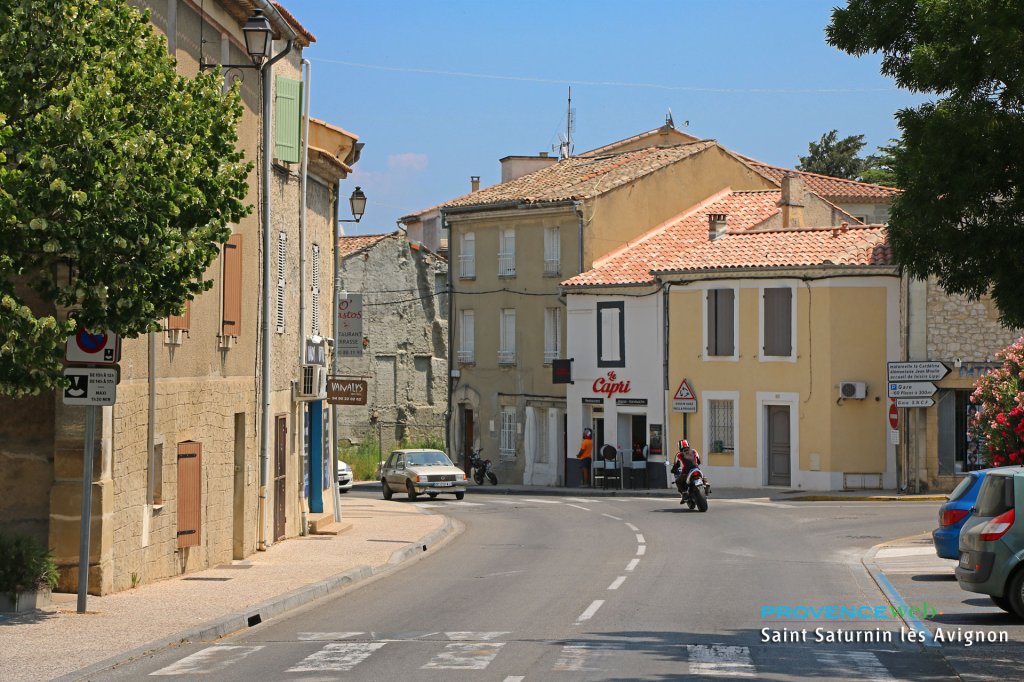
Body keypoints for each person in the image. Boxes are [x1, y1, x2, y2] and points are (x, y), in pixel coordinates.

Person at [671, 439, 701, 503]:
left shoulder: (679, 454)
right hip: (696, 469)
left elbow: (676, 465)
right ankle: (706, 483)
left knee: (678, 481)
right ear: (688, 445)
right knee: (701, 475)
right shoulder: (694, 451)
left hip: (686, 473)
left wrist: (673, 470)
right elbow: (698, 461)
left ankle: (684, 493)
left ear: (679, 447)